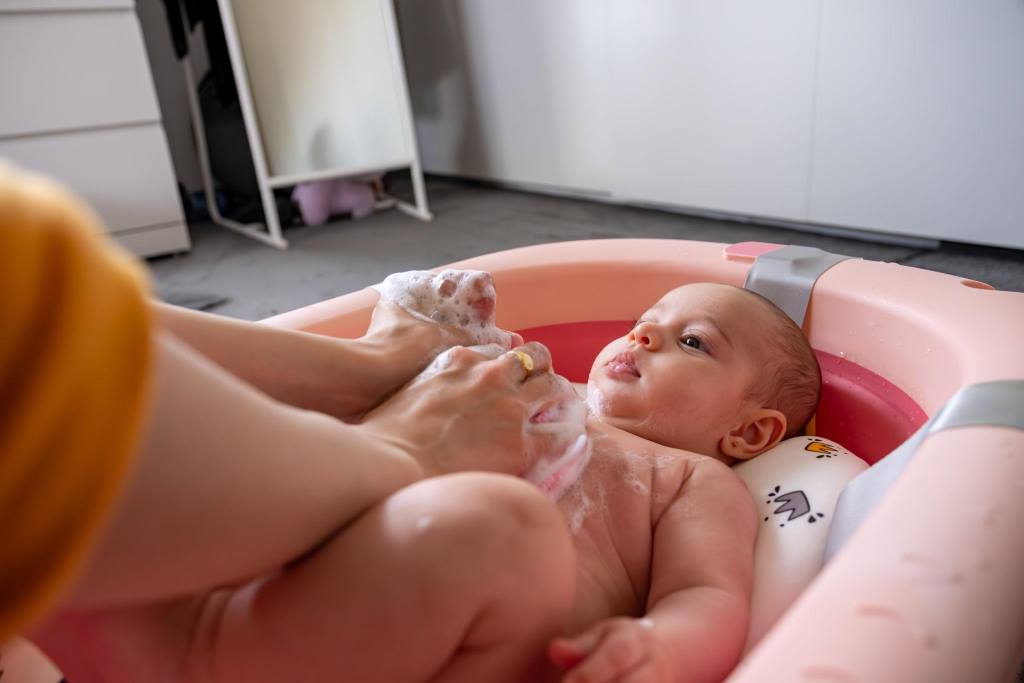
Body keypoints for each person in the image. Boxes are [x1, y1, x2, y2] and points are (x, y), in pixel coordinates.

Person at [34, 273, 819, 683]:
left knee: (499, 526)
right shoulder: (536, 386)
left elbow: (708, 596)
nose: (644, 331)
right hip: (319, 558)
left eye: (691, 341)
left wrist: (661, 650)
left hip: (463, 633)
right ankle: (177, 598)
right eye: (646, 317)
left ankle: (186, 647)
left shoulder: (688, 479)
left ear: (749, 432)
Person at [0, 165, 571, 677]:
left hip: (66, 592)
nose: (643, 336)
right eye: (653, 320)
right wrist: (415, 448)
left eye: (669, 339)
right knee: (500, 535)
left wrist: (663, 625)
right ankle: (373, 409)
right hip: (114, 608)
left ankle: (360, 374)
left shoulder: (664, 471)